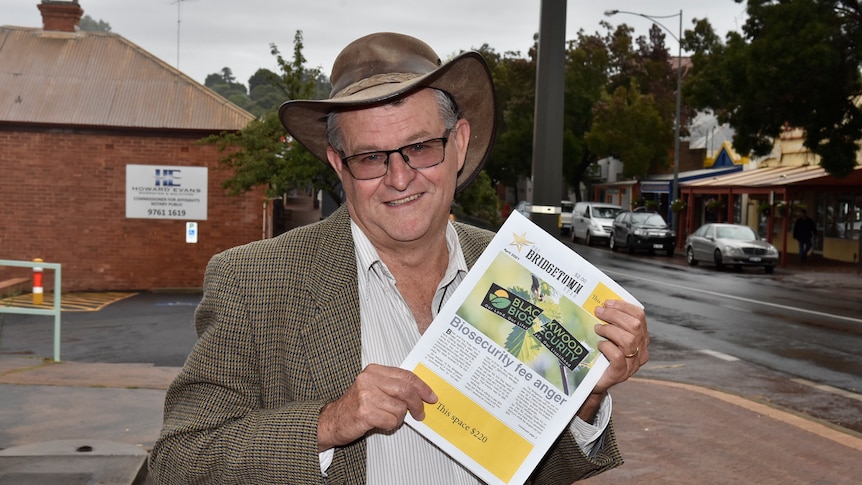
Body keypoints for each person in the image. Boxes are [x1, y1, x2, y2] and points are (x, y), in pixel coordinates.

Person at [148, 32, 649, 484]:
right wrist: (328, 423)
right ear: (338, 166)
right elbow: (178, 460)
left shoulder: (516, 275)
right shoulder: (255, 281)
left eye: (420, 147)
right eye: (371, 157)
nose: (400, 177)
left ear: (459, 143)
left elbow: (533, 469)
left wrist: (586, 397)